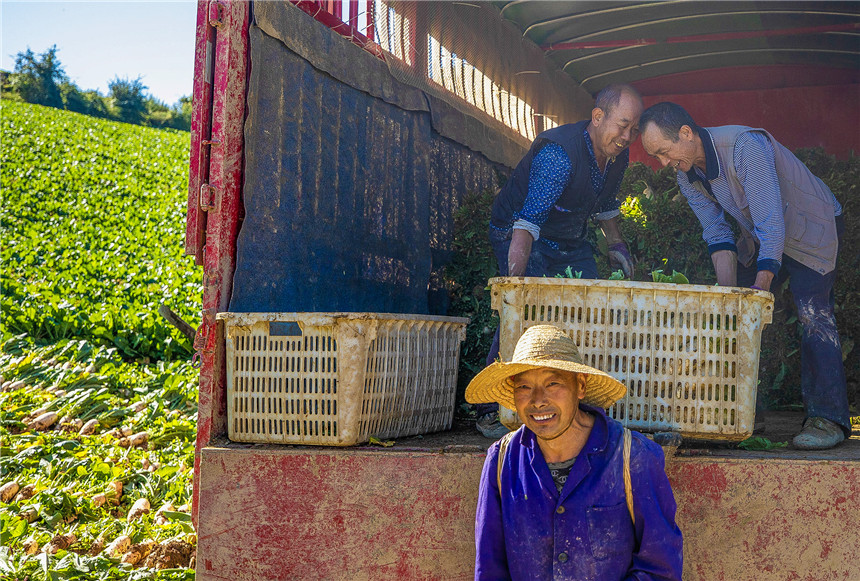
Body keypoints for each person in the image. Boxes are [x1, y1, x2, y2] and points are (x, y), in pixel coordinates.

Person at [638, 101, 850, 450]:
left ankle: (828, 419)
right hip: (765, 235)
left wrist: (760, 288)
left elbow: (771, 223)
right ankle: (744, 408)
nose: (663, 163)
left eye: (664, 152)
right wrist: (730, 299)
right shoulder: (686, 173)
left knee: (814, 315)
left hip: (813, 228)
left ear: (687, 134)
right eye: (656, 157)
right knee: (739, 318)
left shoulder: (744, 147)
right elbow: (717, 234)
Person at [476, 84, 643, 438]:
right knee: (525, 314)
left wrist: (618, 245)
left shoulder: (617, 154)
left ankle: (583, 406)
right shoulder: (560, 155)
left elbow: (606, 205)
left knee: (592, 309)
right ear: (598, 118)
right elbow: (528, 222)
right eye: (622, 125)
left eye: (634, 129)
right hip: (519, 233)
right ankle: (491, 410)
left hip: (568, 237)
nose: (627, 136)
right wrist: (516, 288)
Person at [466, 325, 683, 580]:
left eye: (553, 383)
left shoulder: (632, 456)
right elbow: (490, 570)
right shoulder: (501, 462)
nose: (538, 400)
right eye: (524, 387)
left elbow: (660, 569)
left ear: (580, 386)